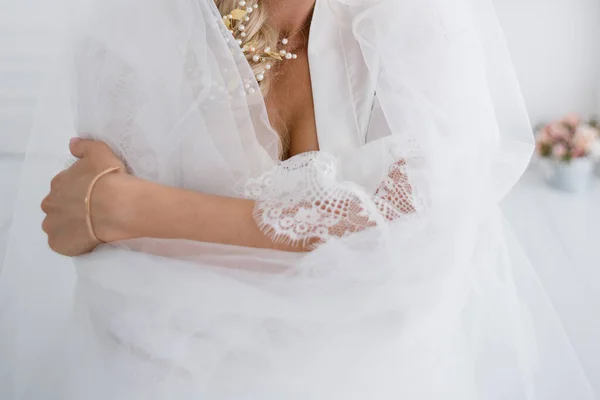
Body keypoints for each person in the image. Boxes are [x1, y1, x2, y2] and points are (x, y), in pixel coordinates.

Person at [0, 0, 595, 398]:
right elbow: (111, 269)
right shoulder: (129, 39)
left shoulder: (416, 22)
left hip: (378, 368)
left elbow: (424, 237)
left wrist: (135, 208)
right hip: (178, 366)